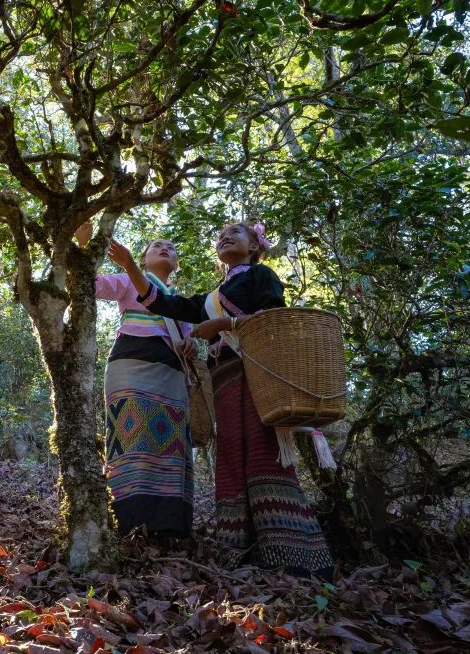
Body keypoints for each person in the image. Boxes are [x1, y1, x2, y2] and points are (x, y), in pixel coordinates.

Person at [107, 222, 335, 579]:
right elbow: (164, 303)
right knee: (230, 451)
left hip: (258, 374)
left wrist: (225, 324)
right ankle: (237, 546)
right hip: (223, 379)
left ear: (254, 247)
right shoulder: (211, 297)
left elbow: (274, 321)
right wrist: (131, 268)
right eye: (221, 235)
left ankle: (291, 554)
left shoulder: (262, 276)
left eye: (237, 233)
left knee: (262, 450)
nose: (226, 237)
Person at [76, 223, 195, 539]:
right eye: (157, 245)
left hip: (171, 374)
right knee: (130, 435)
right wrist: (86, 244)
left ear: (177, 263)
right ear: (142, 259)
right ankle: (129, 518)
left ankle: (169, 522)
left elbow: (189, 338)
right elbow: (93, 285)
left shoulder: (177, 301)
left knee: (170, 441)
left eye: (171, 247)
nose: (165, 248)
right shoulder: (129, 279)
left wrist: (191, 344)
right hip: (130, 365)